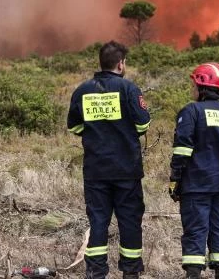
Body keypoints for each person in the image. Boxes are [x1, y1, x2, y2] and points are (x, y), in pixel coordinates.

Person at [67, 41, 151, 279]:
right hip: (126, 170)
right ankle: (131, 272)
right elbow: (143, 124)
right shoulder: (129, 89)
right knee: (130, 220)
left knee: (98, 221)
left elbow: (74, 127)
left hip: (96, 171)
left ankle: (96, 272)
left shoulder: (82, 90)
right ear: (120, 64)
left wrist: (96, 132)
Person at [169, 62, 219, 279]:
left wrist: (175, 180)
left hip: (197, 185)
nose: (192, 89)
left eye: (193, 84)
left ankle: (193, 275)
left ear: (202, 85)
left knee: (195, 230)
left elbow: (182, 150)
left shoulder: (191, 111)